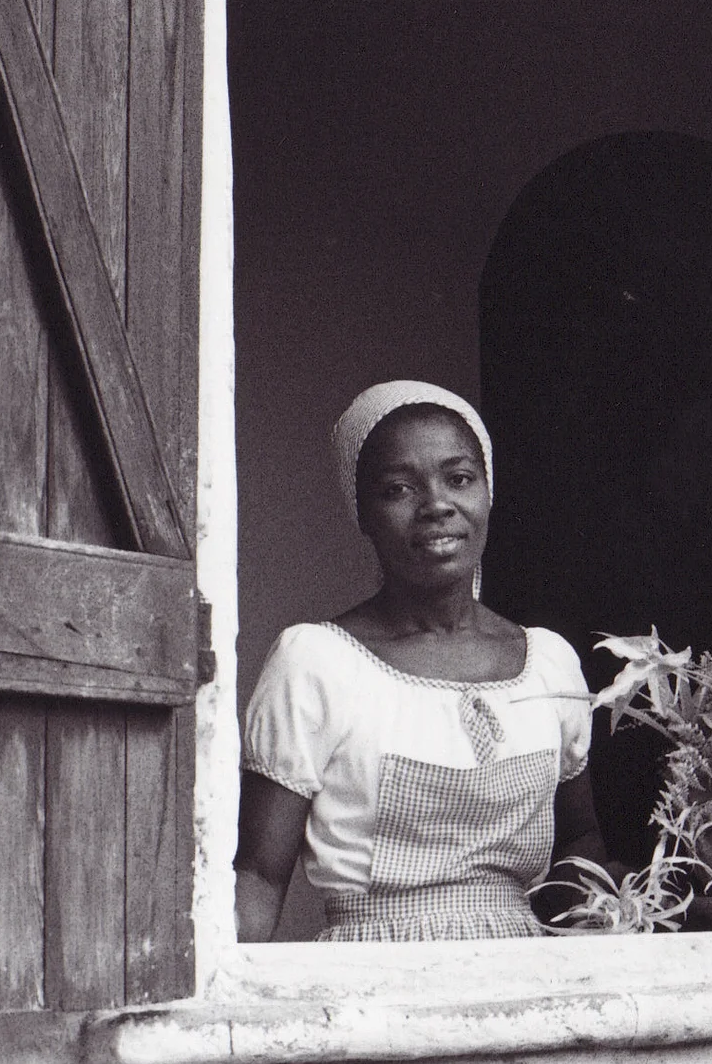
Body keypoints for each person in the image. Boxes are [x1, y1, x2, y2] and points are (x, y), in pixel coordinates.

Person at [234, 381, 610, 942]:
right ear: (362, 513)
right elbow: (261, 876)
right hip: (376, 986)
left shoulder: (548, 663)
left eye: (460, 479)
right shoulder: (316, 663)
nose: (437, 505)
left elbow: (579, 846)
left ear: (488, 492)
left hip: (527, 979)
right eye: (398, 489)